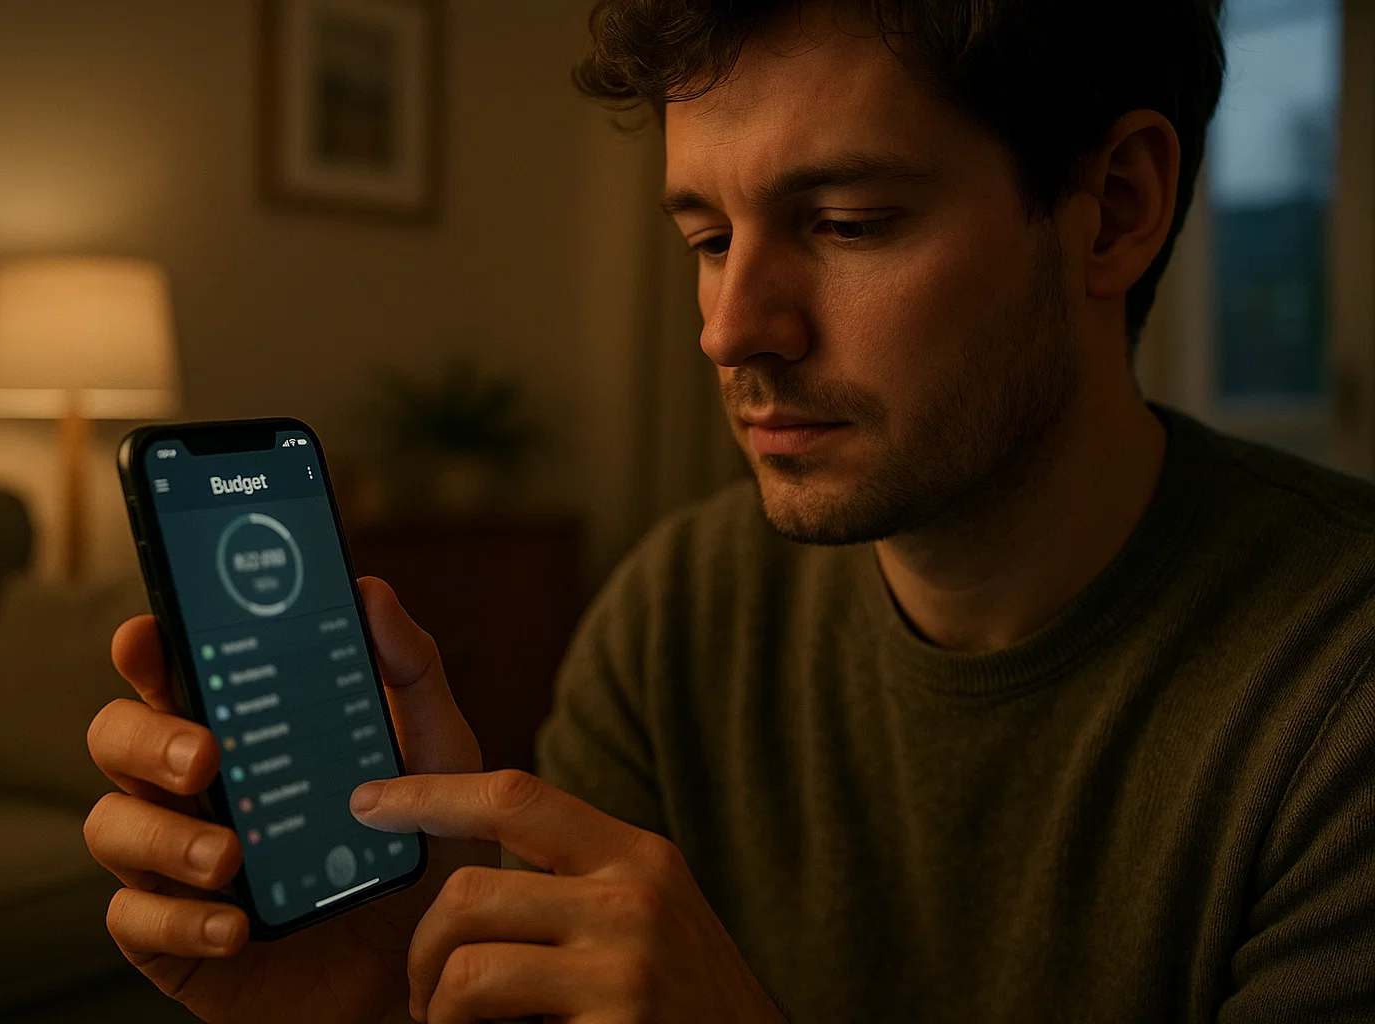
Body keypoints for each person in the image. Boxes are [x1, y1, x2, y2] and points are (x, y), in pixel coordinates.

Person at [83, 1, 1375, 1020]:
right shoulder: (679, 608)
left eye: (850, 221)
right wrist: (390, 1006)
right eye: (706, 238)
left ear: (1121, 210)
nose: (728, 326)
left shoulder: (1335, 698)